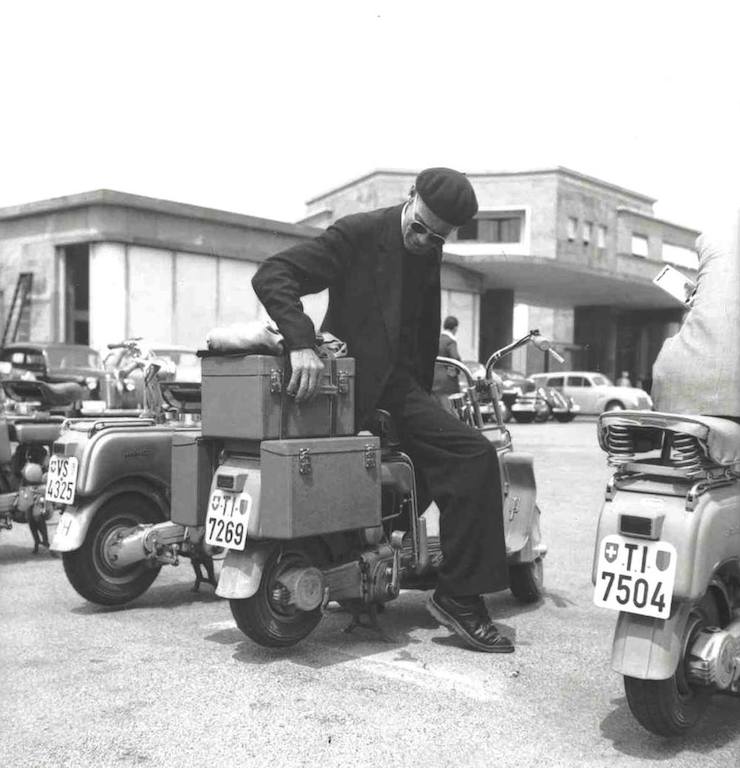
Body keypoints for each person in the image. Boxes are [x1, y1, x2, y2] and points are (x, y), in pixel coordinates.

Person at [252, 167, 514, 653]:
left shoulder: (428, 246)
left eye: (438, 236)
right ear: (409, 196)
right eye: (419, 226)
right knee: (473, 457)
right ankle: (459, 596)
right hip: (348, 387)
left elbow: (410, 329)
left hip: (399, 389)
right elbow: (274, 274)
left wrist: (428, 389)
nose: (424, 240)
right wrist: (301, 343)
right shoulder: (359, 233)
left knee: (463, 460)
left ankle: (400, 568)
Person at [432, 315, 462, 406]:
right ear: (455, 328)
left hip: (433, 381)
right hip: (446, 384)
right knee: (449, 410)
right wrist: (456, 371)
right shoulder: (450, 341)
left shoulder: (437, 339)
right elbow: (455, 358)